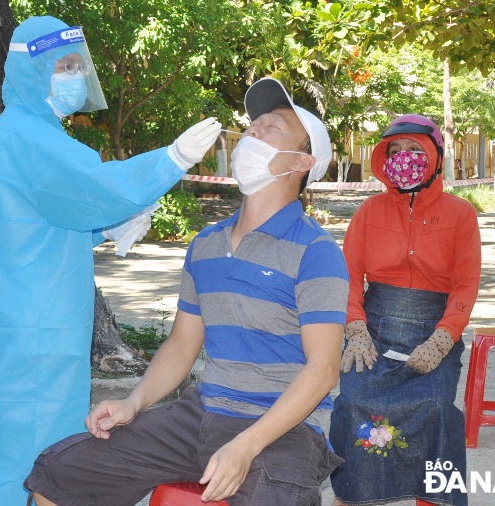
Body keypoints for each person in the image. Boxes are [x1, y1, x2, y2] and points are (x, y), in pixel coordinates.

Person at [23, 77, 350, 506]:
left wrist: (246, 446)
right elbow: (181, 345)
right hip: (201, 415)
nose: (253, 131)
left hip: (282, 428)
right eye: (253, 125)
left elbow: (323, 369)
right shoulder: (207, 244)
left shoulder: (317, 251)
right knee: (59, 472)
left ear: (301, 161)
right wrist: (133, 403)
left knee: (276, 497)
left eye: (272, 127)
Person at [0, 15, 221, 506]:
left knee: (23, 438)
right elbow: (97, 188)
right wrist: (170, 159)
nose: (74, 76)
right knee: (35, 448)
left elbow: (35, 225)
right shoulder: (28, 135)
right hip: (35, 323)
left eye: (76, 65)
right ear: (31, 72)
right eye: (62, 66)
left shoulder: (23, 131)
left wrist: (104, 228)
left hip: (27, 314)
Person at [329, 114, 481, 506]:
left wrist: (443, 339)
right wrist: (356, 329)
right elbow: (347, 277)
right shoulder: (368, 212)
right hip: (375, 333)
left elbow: (465, 285)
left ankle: (434, 498)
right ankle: (355, 496)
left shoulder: (461, 214)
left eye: (415, 149)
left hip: (434, 333)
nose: (404, 157)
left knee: (434, 408)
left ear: (435, 157)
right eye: (395, 151)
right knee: (353, 404)